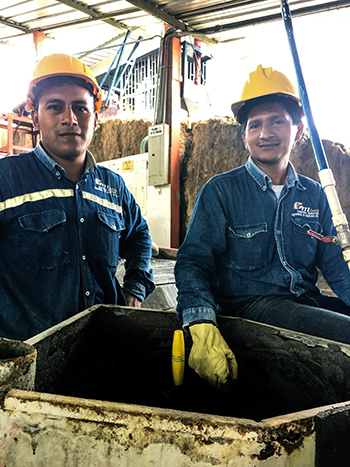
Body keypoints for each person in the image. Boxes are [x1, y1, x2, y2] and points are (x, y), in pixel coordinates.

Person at [174, 65, 350, 391]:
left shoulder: (316, 194)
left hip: (303, 301)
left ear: (297, 131)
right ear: (244, 137)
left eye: (276, 121)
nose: (264, 133)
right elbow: (193, 261)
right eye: (255, 125)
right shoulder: (221, 191)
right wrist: (200, 320)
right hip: (251, 305)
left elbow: (338, 268)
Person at [0, 53, 155, 340]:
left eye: (81, 108)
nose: (69, 119)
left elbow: (140, 236)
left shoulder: (113, 187)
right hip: (31, 358)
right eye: (55, 107)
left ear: (95, 119)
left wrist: (135, 286)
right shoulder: (6, 180)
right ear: (35, 117)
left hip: (105, 349)